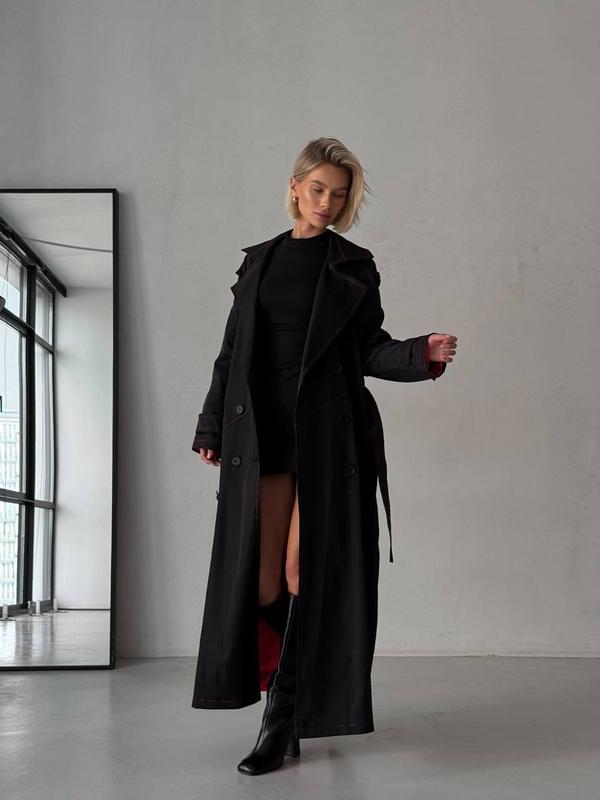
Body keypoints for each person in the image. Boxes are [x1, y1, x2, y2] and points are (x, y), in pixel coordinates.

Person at [194, 137, 457, 775]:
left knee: (301, 573)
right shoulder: (258, 263)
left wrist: (419, 354)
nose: (328, 203)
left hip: (328, 439)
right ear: (294, 187)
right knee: (260, 581)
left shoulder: (353, 266)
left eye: (339, 195)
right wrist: (212, 425)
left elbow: (368, 348)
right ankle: (285, 701)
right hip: (261, 438)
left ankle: (281, 718)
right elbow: (231, 354)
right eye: (318, 190)